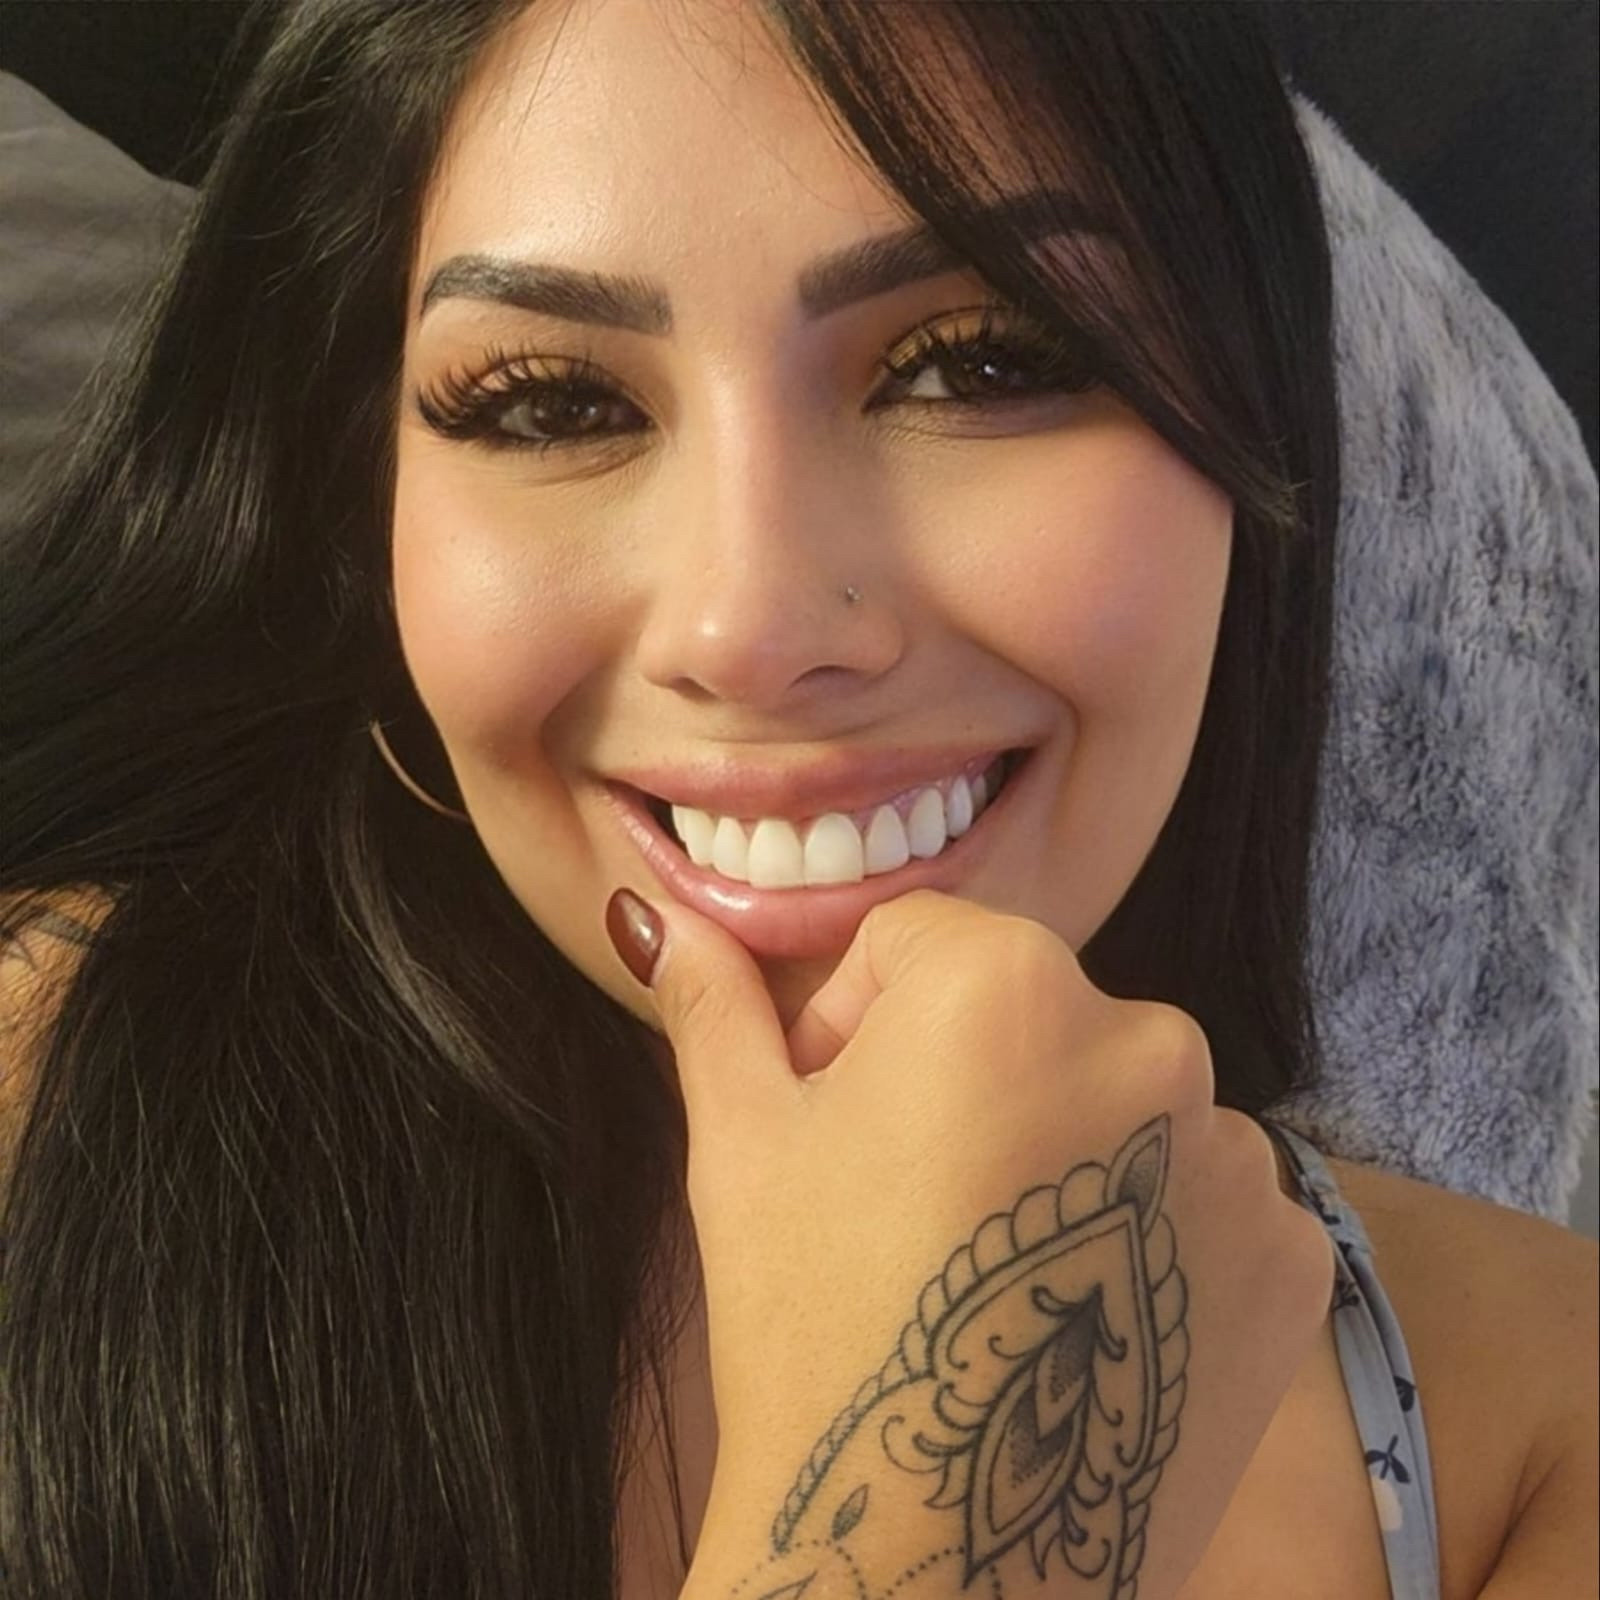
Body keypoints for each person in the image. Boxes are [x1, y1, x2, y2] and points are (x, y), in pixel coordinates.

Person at [1, 2, 1593, 1597]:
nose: (747, 629)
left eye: (980, 363)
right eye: (552, 404)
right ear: (370, 518)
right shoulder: (38, 1098)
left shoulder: (1545, 1415)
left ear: (1253, 436)